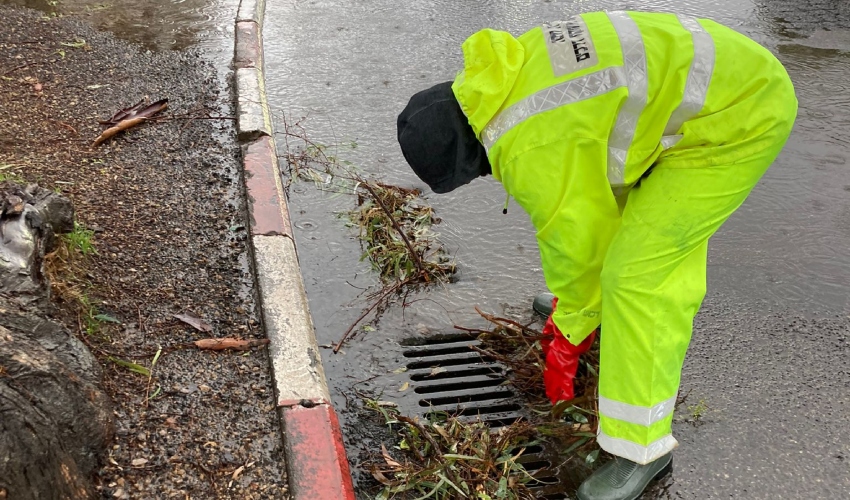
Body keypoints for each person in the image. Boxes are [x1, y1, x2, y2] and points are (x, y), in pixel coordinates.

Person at [396, 10, 797, 500]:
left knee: (640, 278)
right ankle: (606, 319)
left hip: (737, 117)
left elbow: (577, 243)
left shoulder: (530, 143)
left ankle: (642, 450)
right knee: (622, 231)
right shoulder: (501, 75)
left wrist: (569, 331)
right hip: (716, 81)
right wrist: (578, 304)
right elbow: (592, 195)